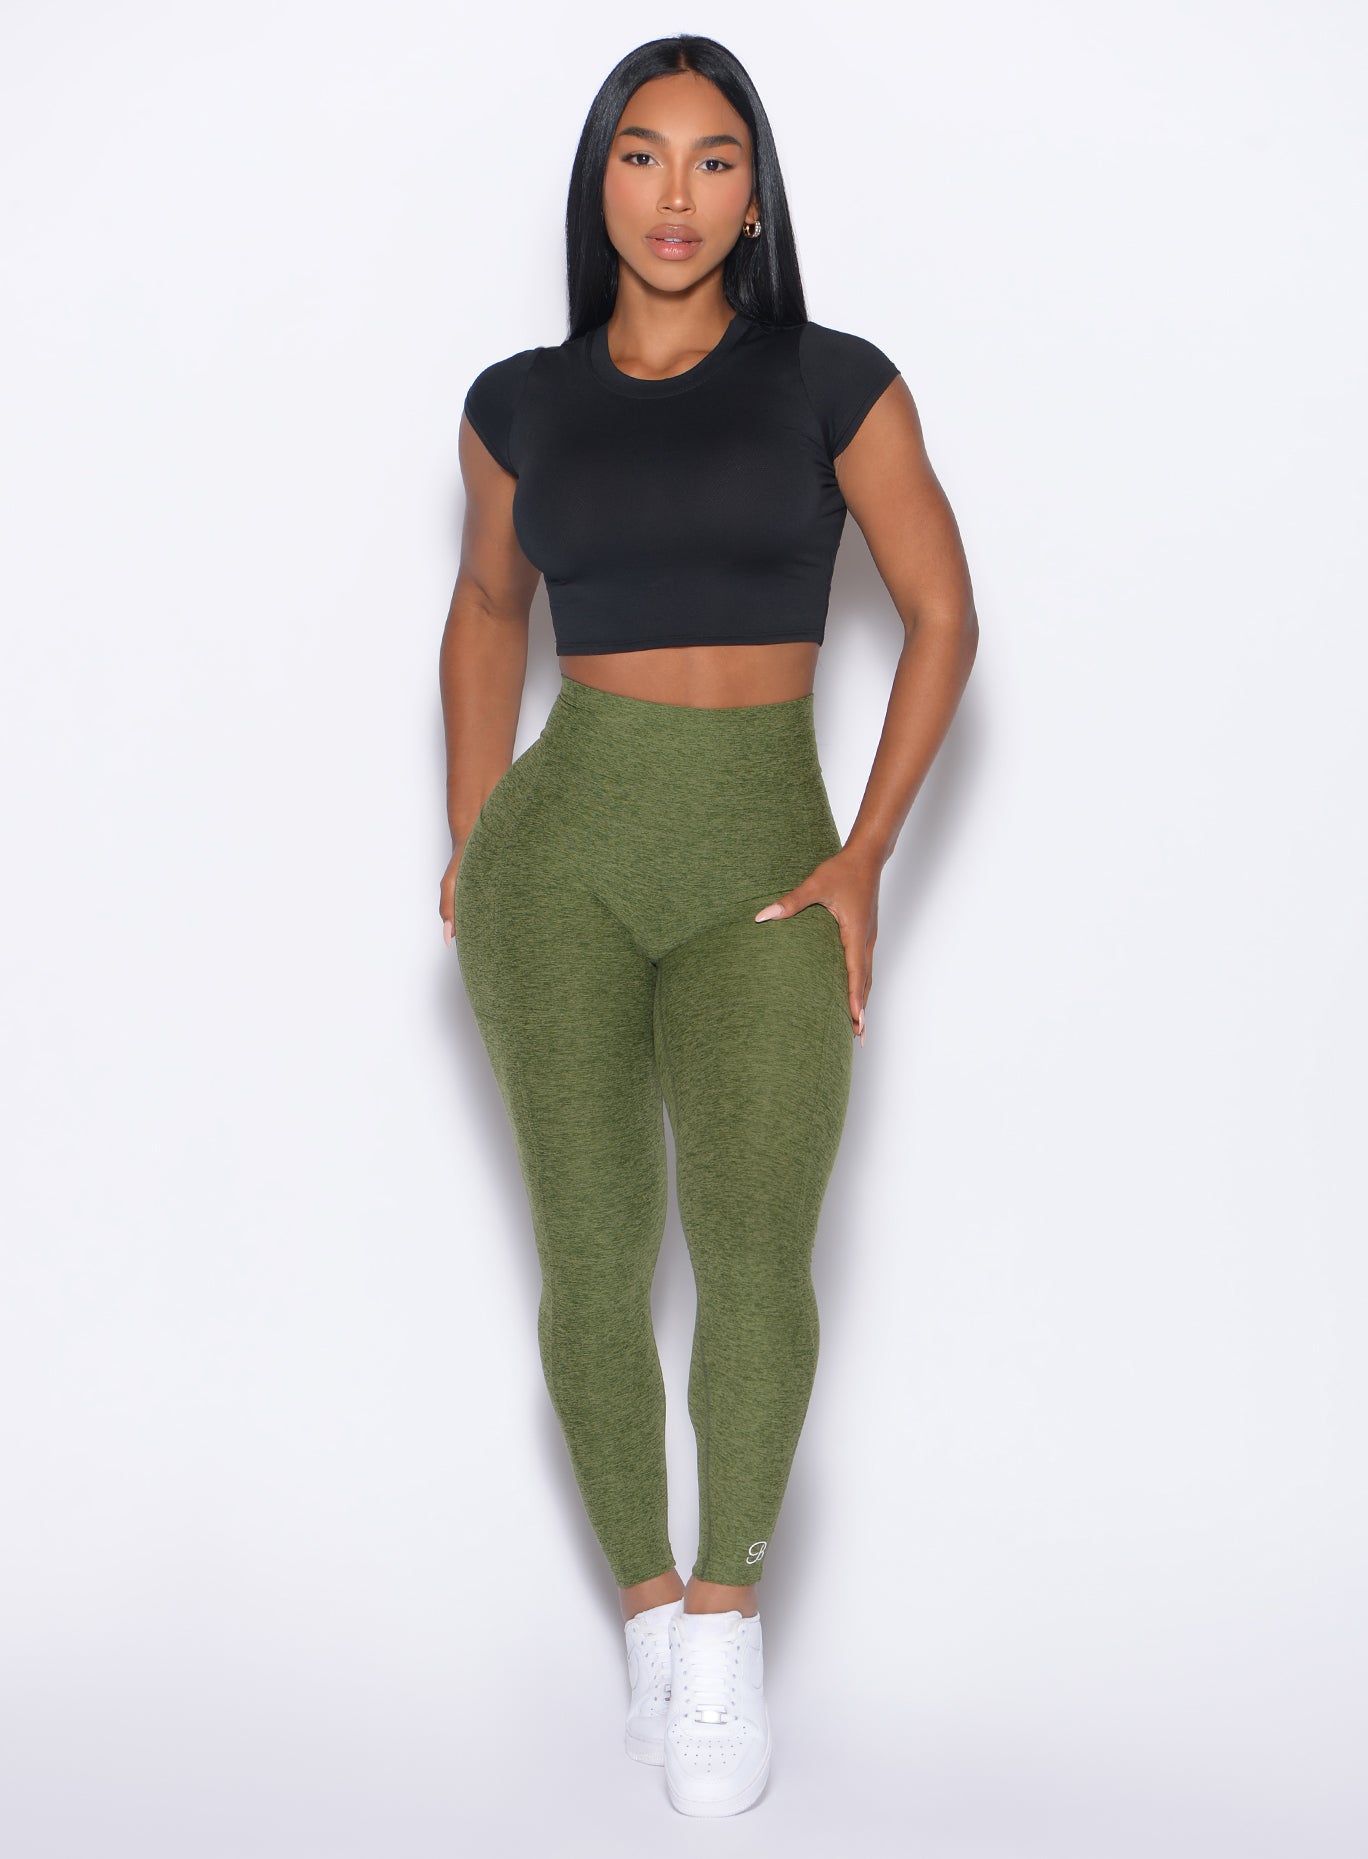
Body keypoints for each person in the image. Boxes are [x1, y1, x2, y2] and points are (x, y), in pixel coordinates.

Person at [437, 34, 977, 1818]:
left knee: (755, 1255)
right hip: (563, 863)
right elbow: (486, 611)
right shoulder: (516, 403)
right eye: (644, 155)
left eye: (715, 158)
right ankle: (650, 1616)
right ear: (599, 181)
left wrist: (867, 854)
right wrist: (475, 833)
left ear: (755, 193)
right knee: (592, 1257)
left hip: (764, 856)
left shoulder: (832, 380)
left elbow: (943, 612)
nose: (676, 194)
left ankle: (732, 1622)